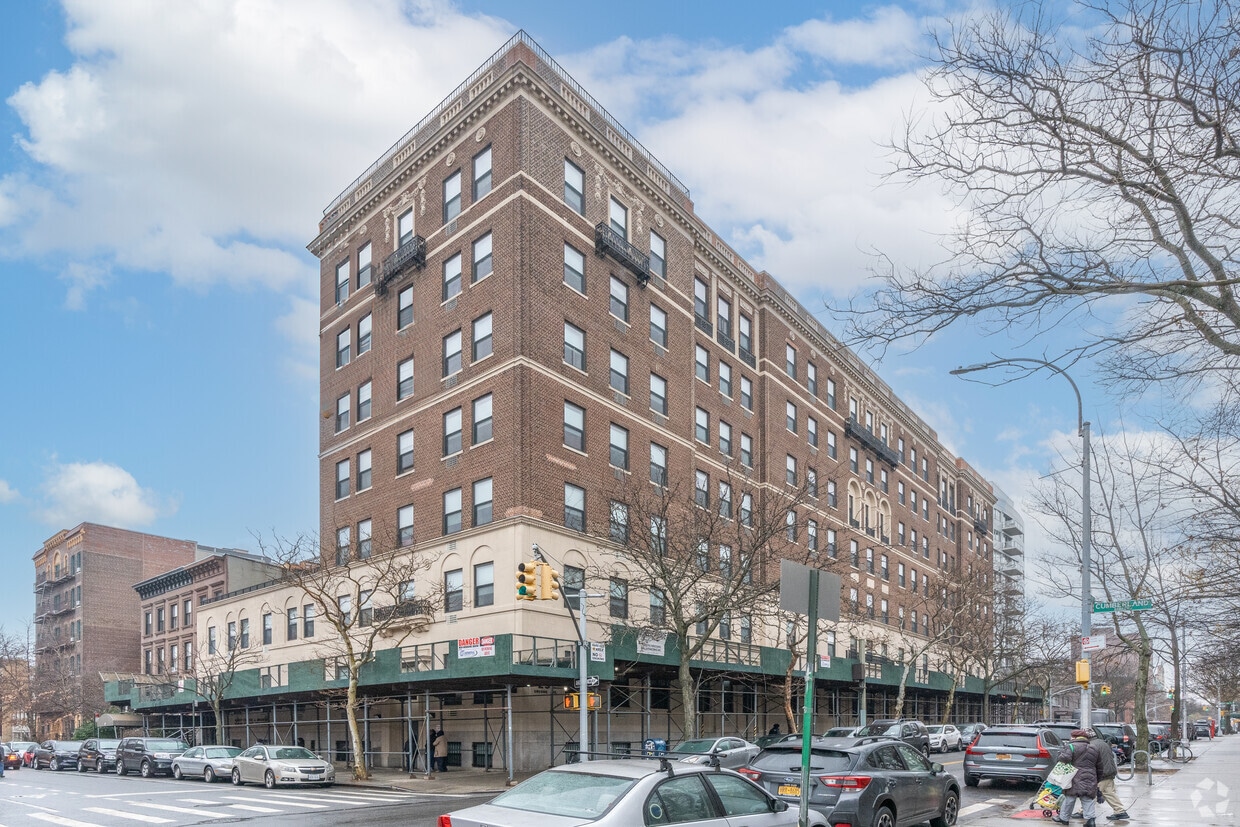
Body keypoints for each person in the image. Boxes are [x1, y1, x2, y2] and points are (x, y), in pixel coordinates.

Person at [1054, 729, 1103, 827]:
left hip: (1074, 777)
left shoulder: (1071, 746)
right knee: (1087, 798)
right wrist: (1098, 779)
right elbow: (1100, 766)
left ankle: (1064, 818)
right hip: (1090, 776)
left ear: (1074, 737)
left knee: (1069, 798)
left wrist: (1060, 754)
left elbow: (1064, 759)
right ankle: (1090, 820)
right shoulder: (1094, 748)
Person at [1087, 729, 1129, 821]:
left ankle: (1083, 811)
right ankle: (1120, 811)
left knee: (1091, 794)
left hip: (1101, 773)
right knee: (1109, 793)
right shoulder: (1102, 743)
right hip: (1109, 771)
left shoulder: (1091, 746)